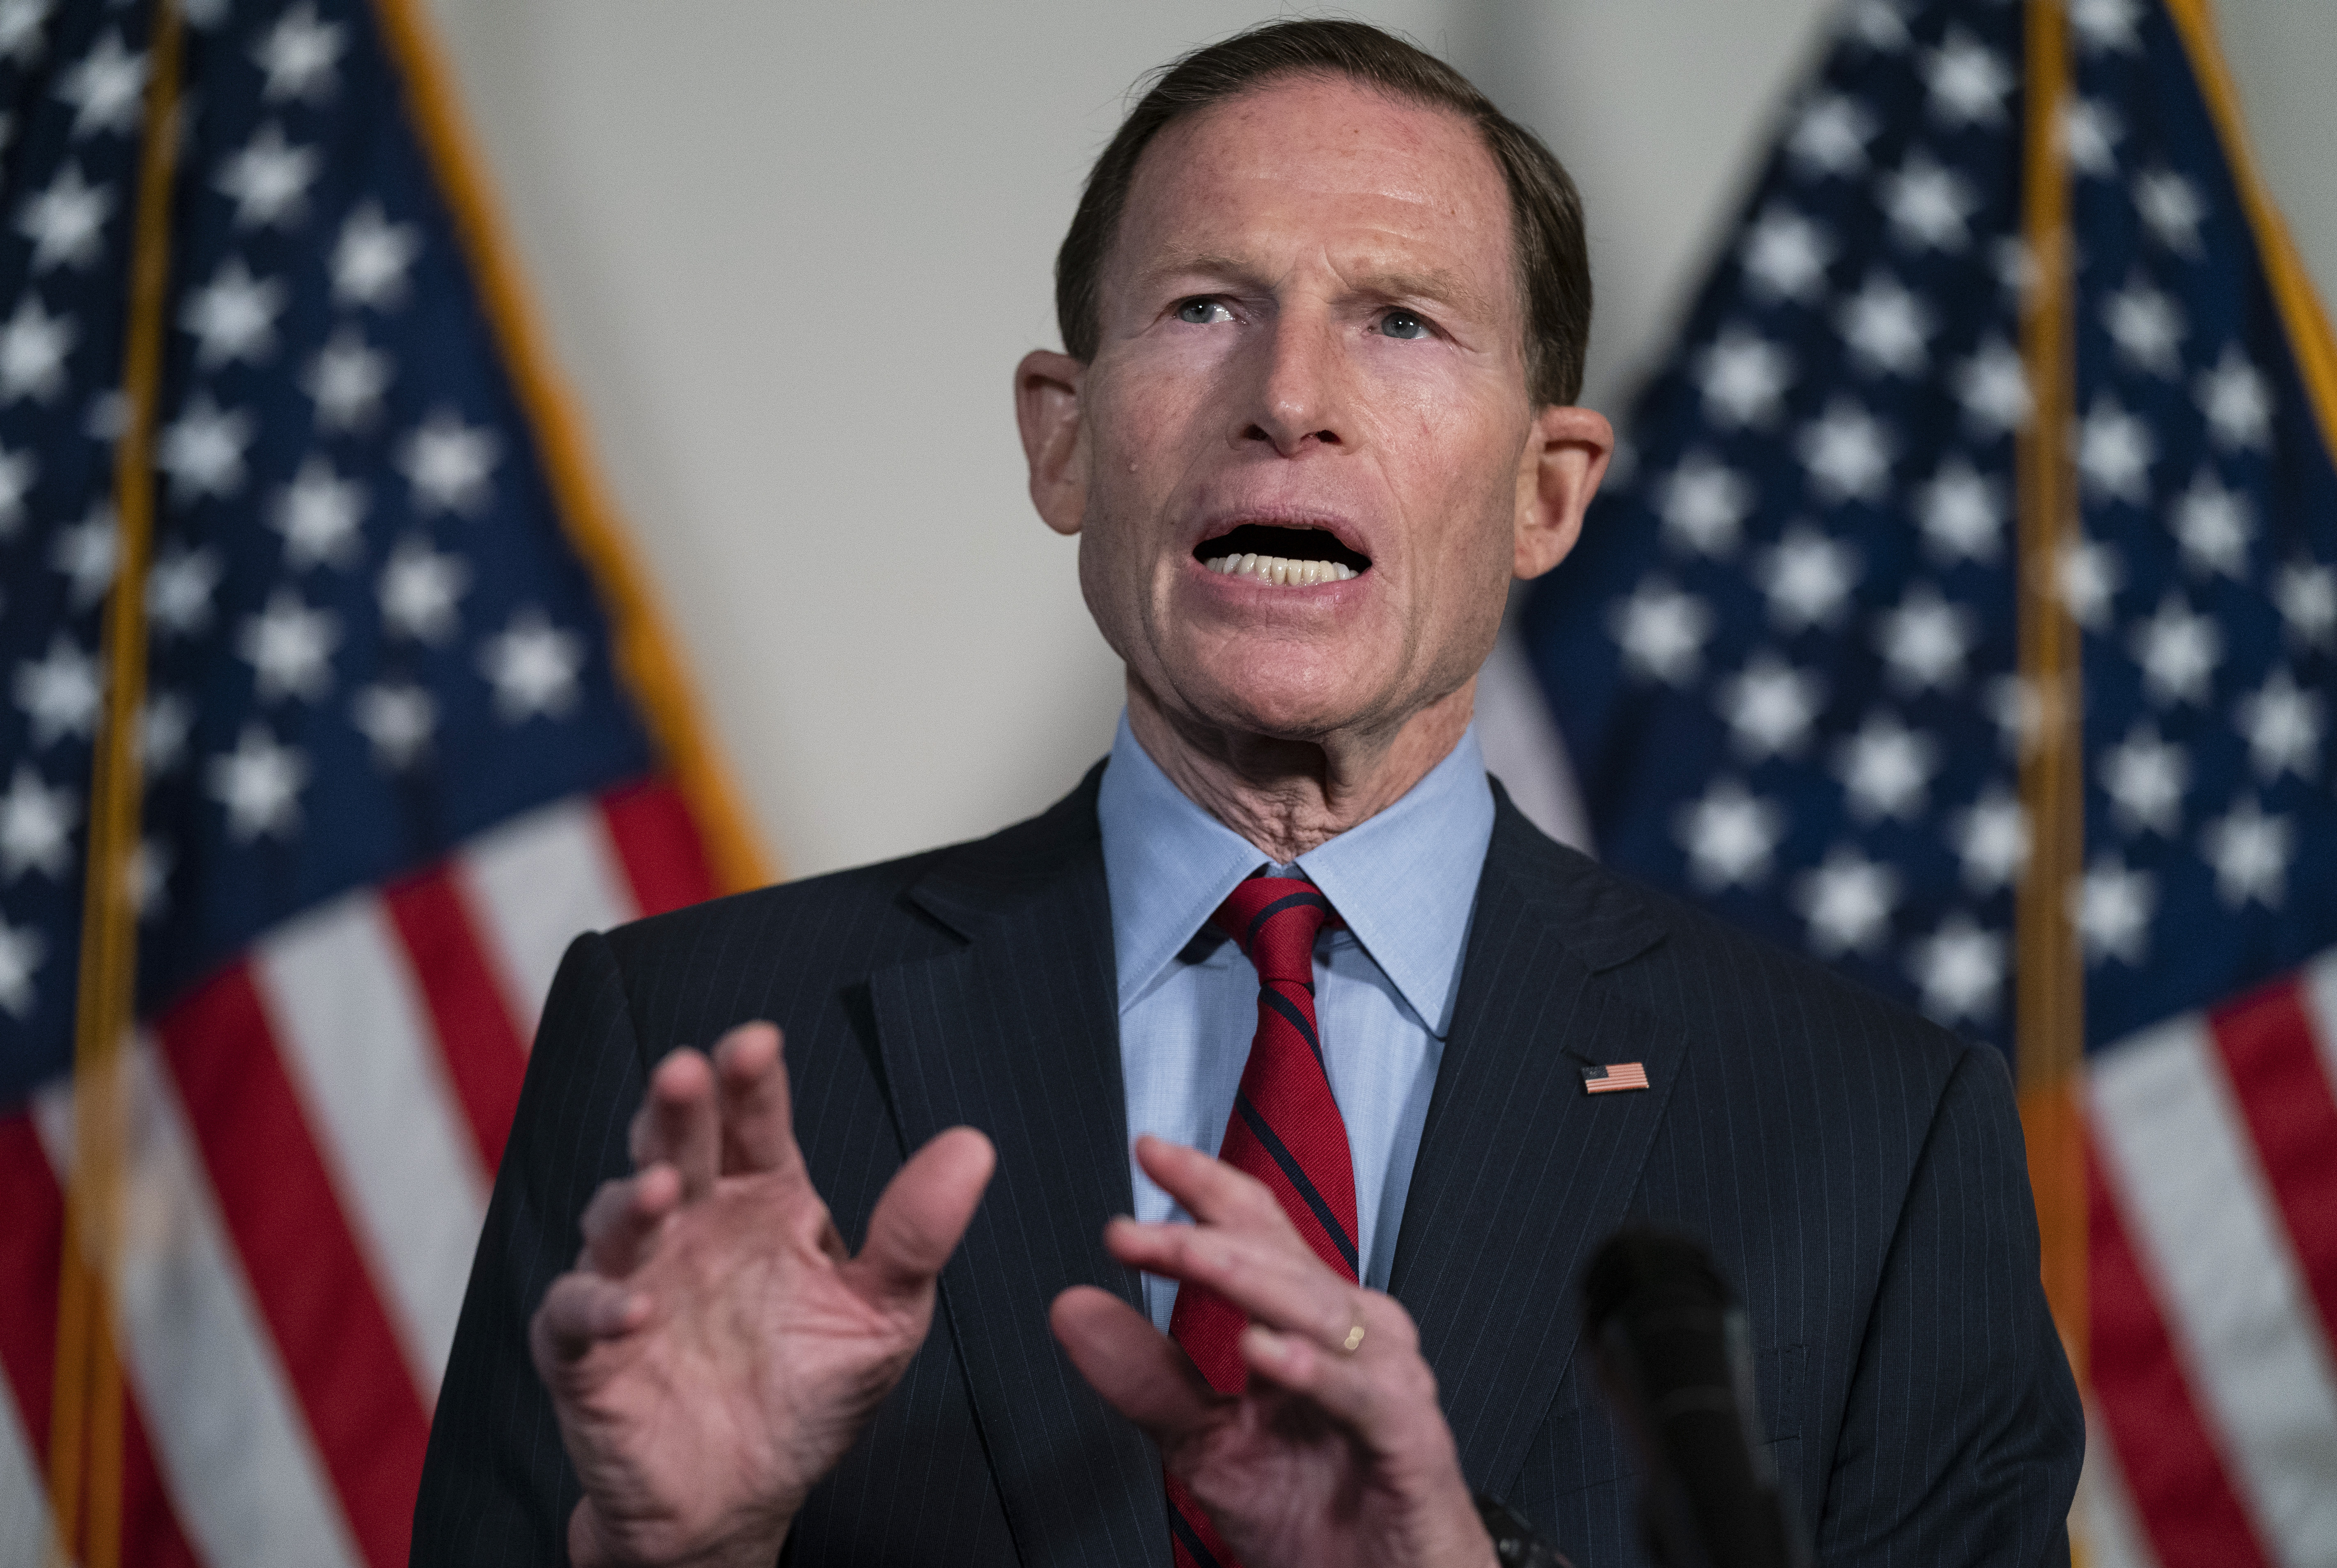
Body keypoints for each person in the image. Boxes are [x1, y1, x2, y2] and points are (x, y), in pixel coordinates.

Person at [412, 19, 2082, 1568]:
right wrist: (674, 1556)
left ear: (1545, 493)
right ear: (1064, 441)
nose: (1287, 397)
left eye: (1401, 320)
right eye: (1206, 305)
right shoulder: (683, 1043)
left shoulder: (1875, 1137)